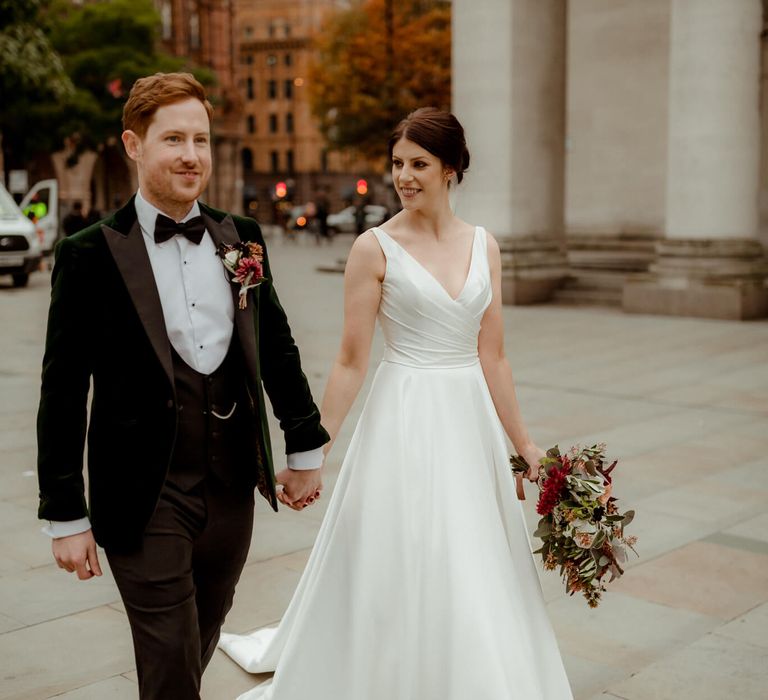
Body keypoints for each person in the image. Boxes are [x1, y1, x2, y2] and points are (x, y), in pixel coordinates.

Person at [219, 107, 573, 699]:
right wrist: (313, 453)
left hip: (469, 423)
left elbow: (495, 356)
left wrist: (525, 445)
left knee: (474, 554)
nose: (404, 177)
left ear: (453, 168)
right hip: (403, 415)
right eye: (397, 164)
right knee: (409, 550)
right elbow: (351, 362)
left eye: (419, 164)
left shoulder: (486, 246)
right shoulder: (373, 247)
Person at [36, 72, 329, 700]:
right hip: (142, 492)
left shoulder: (240, 238)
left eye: (201, 139)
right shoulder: (89, 253)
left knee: (201, 634)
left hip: (230, 488)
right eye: (173, 139)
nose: (191, 155)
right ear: (134, 145)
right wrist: (64, 511)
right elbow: (62, 389)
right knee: (168, 654)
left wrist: (305, 448)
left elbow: (276, 350)